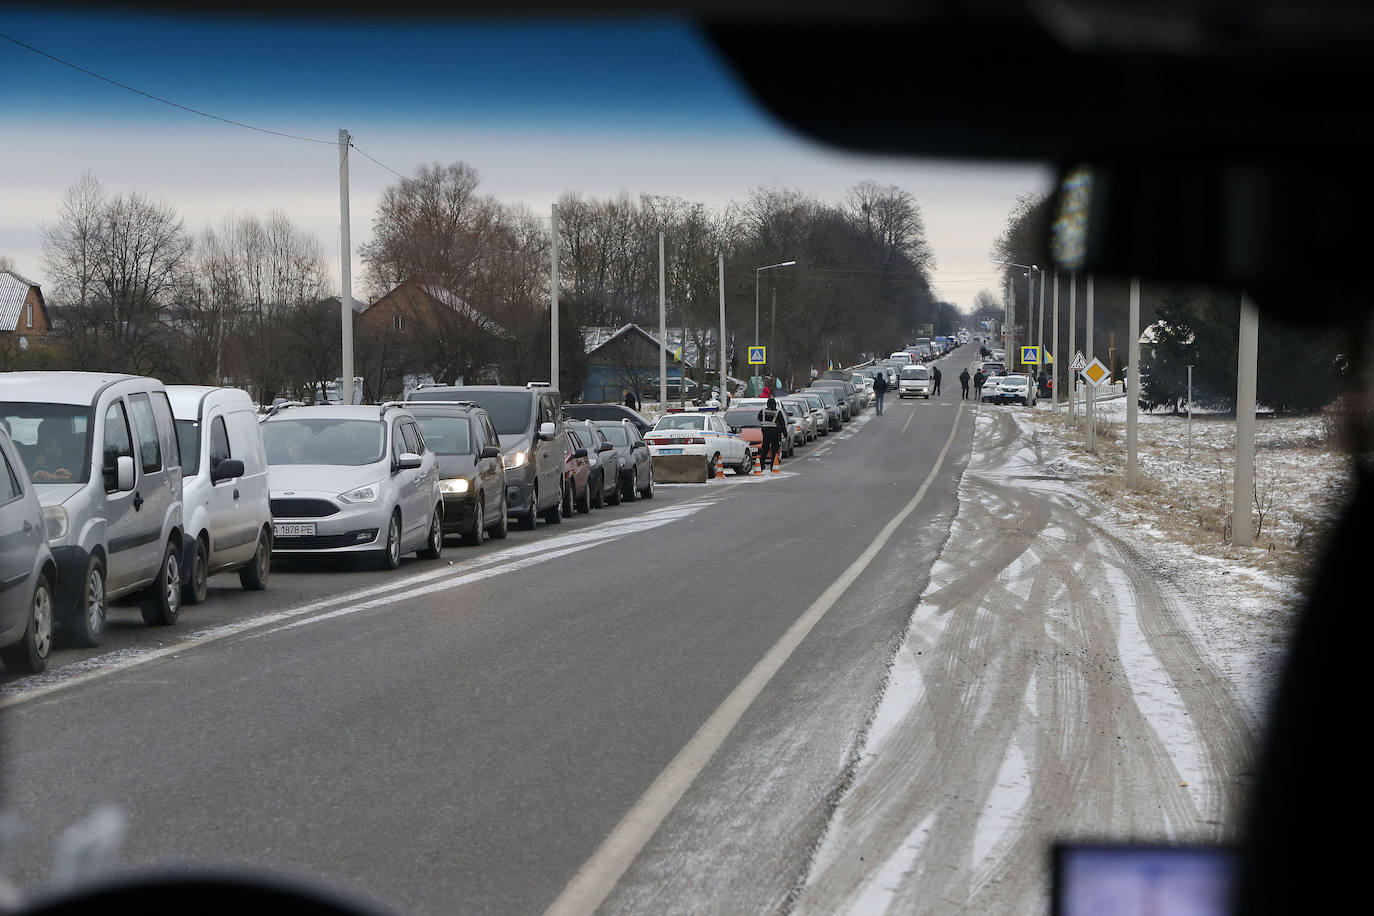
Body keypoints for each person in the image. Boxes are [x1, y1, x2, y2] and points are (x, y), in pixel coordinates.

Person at [757, 397, 783, 470]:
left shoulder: (763, 411)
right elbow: (782, 423)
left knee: (765, 448)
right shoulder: (777, 412)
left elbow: (759, 418)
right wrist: (784, 432)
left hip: (765, 431)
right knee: (774, 449)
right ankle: (773, 465)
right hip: (774, 432)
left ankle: (761, 464)